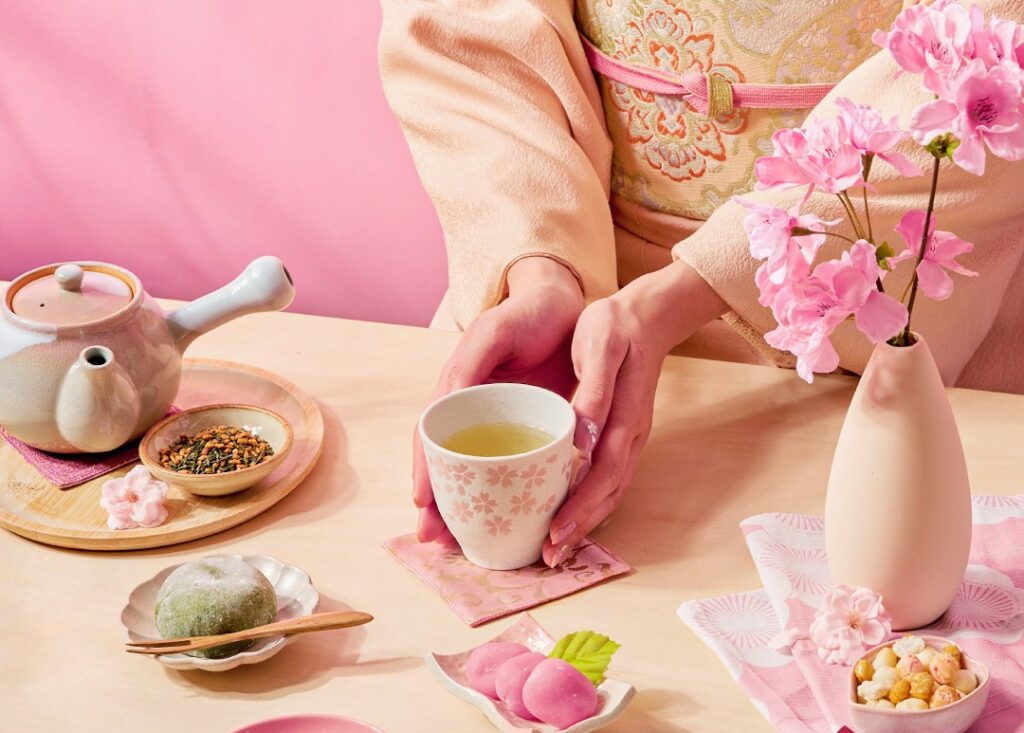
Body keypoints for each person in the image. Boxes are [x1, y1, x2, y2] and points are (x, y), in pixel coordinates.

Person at [378, 0, 1024, 566]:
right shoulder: (554, 289)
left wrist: (690, 289)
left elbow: (1000, 41)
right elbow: (467, 20)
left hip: (888, 301)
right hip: (579, 316)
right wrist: (540, 266)